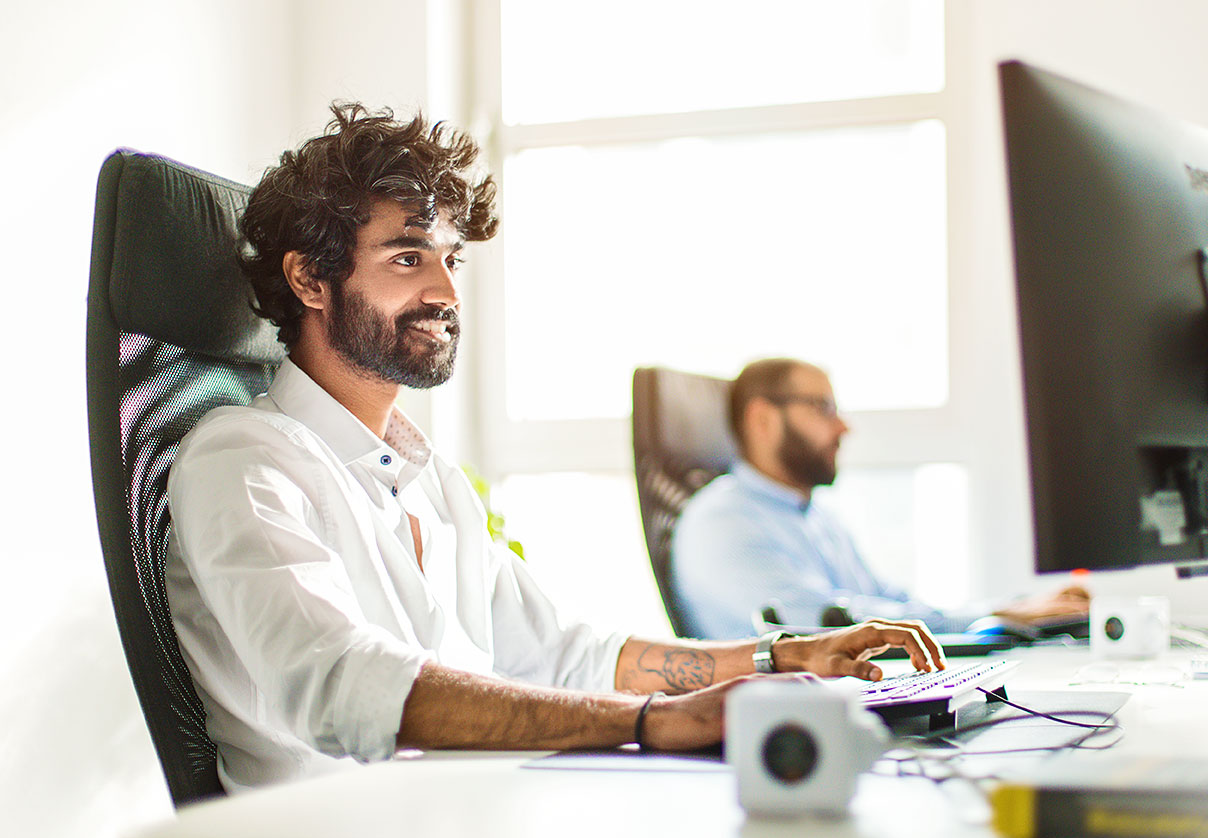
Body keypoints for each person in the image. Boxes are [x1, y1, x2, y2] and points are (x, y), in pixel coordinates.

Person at [164, 104, 944, 792]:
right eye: (407, 257)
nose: (445, 291)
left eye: (450, 259)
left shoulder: (426, 479)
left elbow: (568, 655)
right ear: (308, 280)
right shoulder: (244, 459)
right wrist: (650, 722)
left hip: (469, 814)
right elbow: (343, 687)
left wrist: (777, 660)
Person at [670, 358, 1090, 640]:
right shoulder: (721, 522)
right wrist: (1000, 619)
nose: (842, 428)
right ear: (762, 419)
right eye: (823, 408)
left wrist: (1006, 610)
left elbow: (890, 602)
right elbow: (828, 623)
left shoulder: (818, 518)